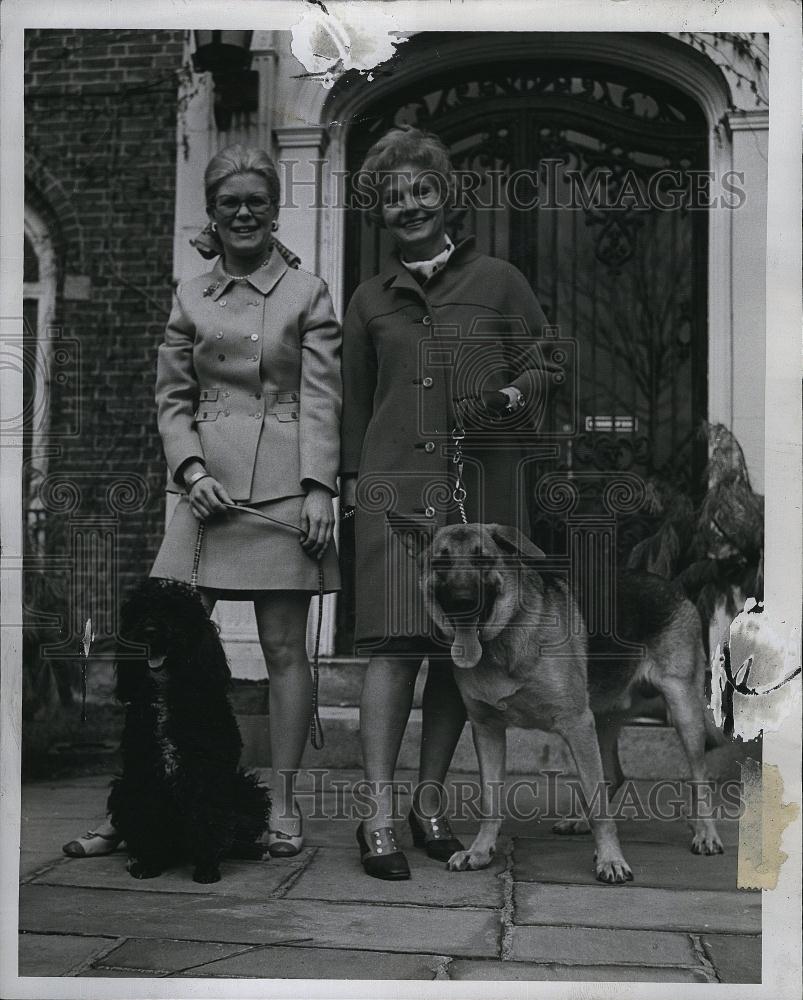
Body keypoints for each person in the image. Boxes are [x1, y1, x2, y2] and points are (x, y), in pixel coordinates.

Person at [63, 144, 341, 861]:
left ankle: (282, 804)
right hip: (203, 494)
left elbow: (321, 399)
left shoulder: (308, 293)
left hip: (284, 490)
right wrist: (189, 471)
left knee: (284, 651)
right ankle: (134, 804)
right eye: (229, 203)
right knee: (157, 654)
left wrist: (319, 489)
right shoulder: (190, 295)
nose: (243, 213)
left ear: (273, 208)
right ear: (212, 213)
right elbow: (172, 399)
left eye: (256, 201)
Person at [341, 125, 554, 879]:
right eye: (393, 196)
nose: (410, 205)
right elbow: (353, 404)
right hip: (394, 495)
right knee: (394, 646)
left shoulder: (499, 280)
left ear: (446, 197)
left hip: (481, 490)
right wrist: (350, 486)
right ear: (379, 212)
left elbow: (546, 362)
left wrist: (510, 394)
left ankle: (428, 805)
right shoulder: (369, 299)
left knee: (458, 653)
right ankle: (376, 815)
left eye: (422, 189)